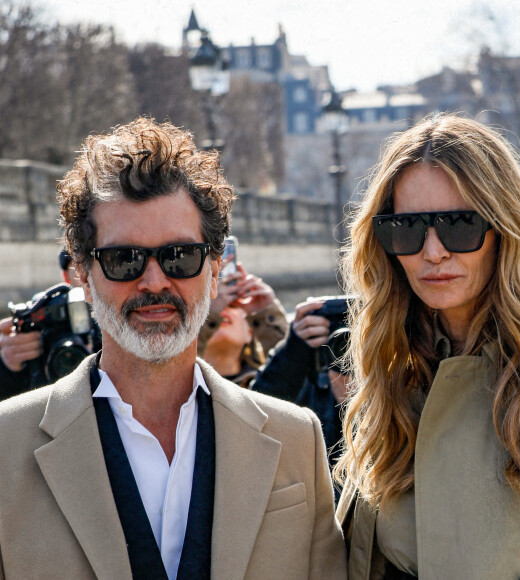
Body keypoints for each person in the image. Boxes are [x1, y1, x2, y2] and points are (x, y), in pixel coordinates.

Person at [0, 117, 346, 579]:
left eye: (179, 256)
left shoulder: (297, 439)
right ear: (81, 271)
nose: (155, 281)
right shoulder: (6, 447)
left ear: (216, 265)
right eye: (124, 259)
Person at [334, 113, 520, 579]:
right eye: (407, 229)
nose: (433, 252)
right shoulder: (392, 385)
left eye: (459, 224)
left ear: (504, 229)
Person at [253, 297, 350, 469]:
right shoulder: (309, 374)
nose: (345, 350)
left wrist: (357, 407)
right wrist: (294, 349)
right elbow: (261, 412)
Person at [0, 247, 96, 399]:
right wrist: (8, 364)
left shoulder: (125, 320)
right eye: (79, 269)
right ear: (66, 276)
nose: (88, 278)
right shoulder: (44, 312)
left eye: (95, 267)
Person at [198, 263, 288, 387]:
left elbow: (293, 373)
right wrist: (207, 314)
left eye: (232, 304)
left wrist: (265, 313)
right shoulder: (182, 389)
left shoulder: (263, 385)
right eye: (216, 304)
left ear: (250, 333)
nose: (222, 311)